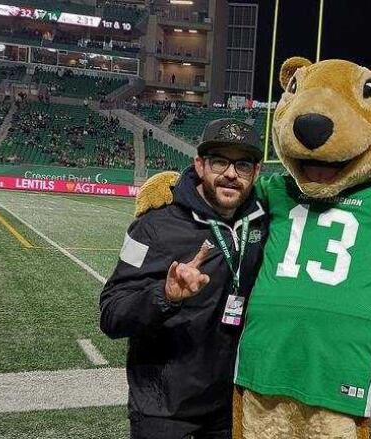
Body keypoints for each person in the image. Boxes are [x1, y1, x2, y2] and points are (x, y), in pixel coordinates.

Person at [100, 118, 268, 439]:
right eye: (220, 161)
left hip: (228, 405)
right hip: (163, 409)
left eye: (243, 164)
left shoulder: (262, 221)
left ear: (256, 172)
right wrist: (165, 295)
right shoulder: (152, 226)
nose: (231, 174)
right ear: (200, 165)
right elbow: (111, 313)